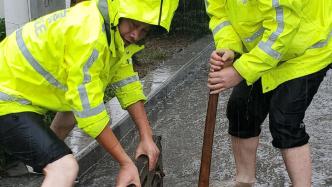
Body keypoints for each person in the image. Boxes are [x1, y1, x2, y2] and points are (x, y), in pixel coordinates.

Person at [0, 0, 178, 186]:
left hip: (16, 89)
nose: (135, 35)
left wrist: (146, 136)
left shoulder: (108, 26)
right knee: (65, 167)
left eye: (144, 31)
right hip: (6, 99)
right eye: (133, 25)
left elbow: (126, 82)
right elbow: (90, 111)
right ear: (122, 13)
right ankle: (55, 168)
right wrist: (126, 164)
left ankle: (46, 170)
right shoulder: (90, 35)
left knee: (70, 117)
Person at [205, 0, 332, 186]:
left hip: (306, 52)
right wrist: (229, 47)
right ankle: (244, 181)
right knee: (241, 108)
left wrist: (240, 71)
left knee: (285, 119)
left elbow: (283, 28)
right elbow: (220, 15)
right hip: (265, 48)